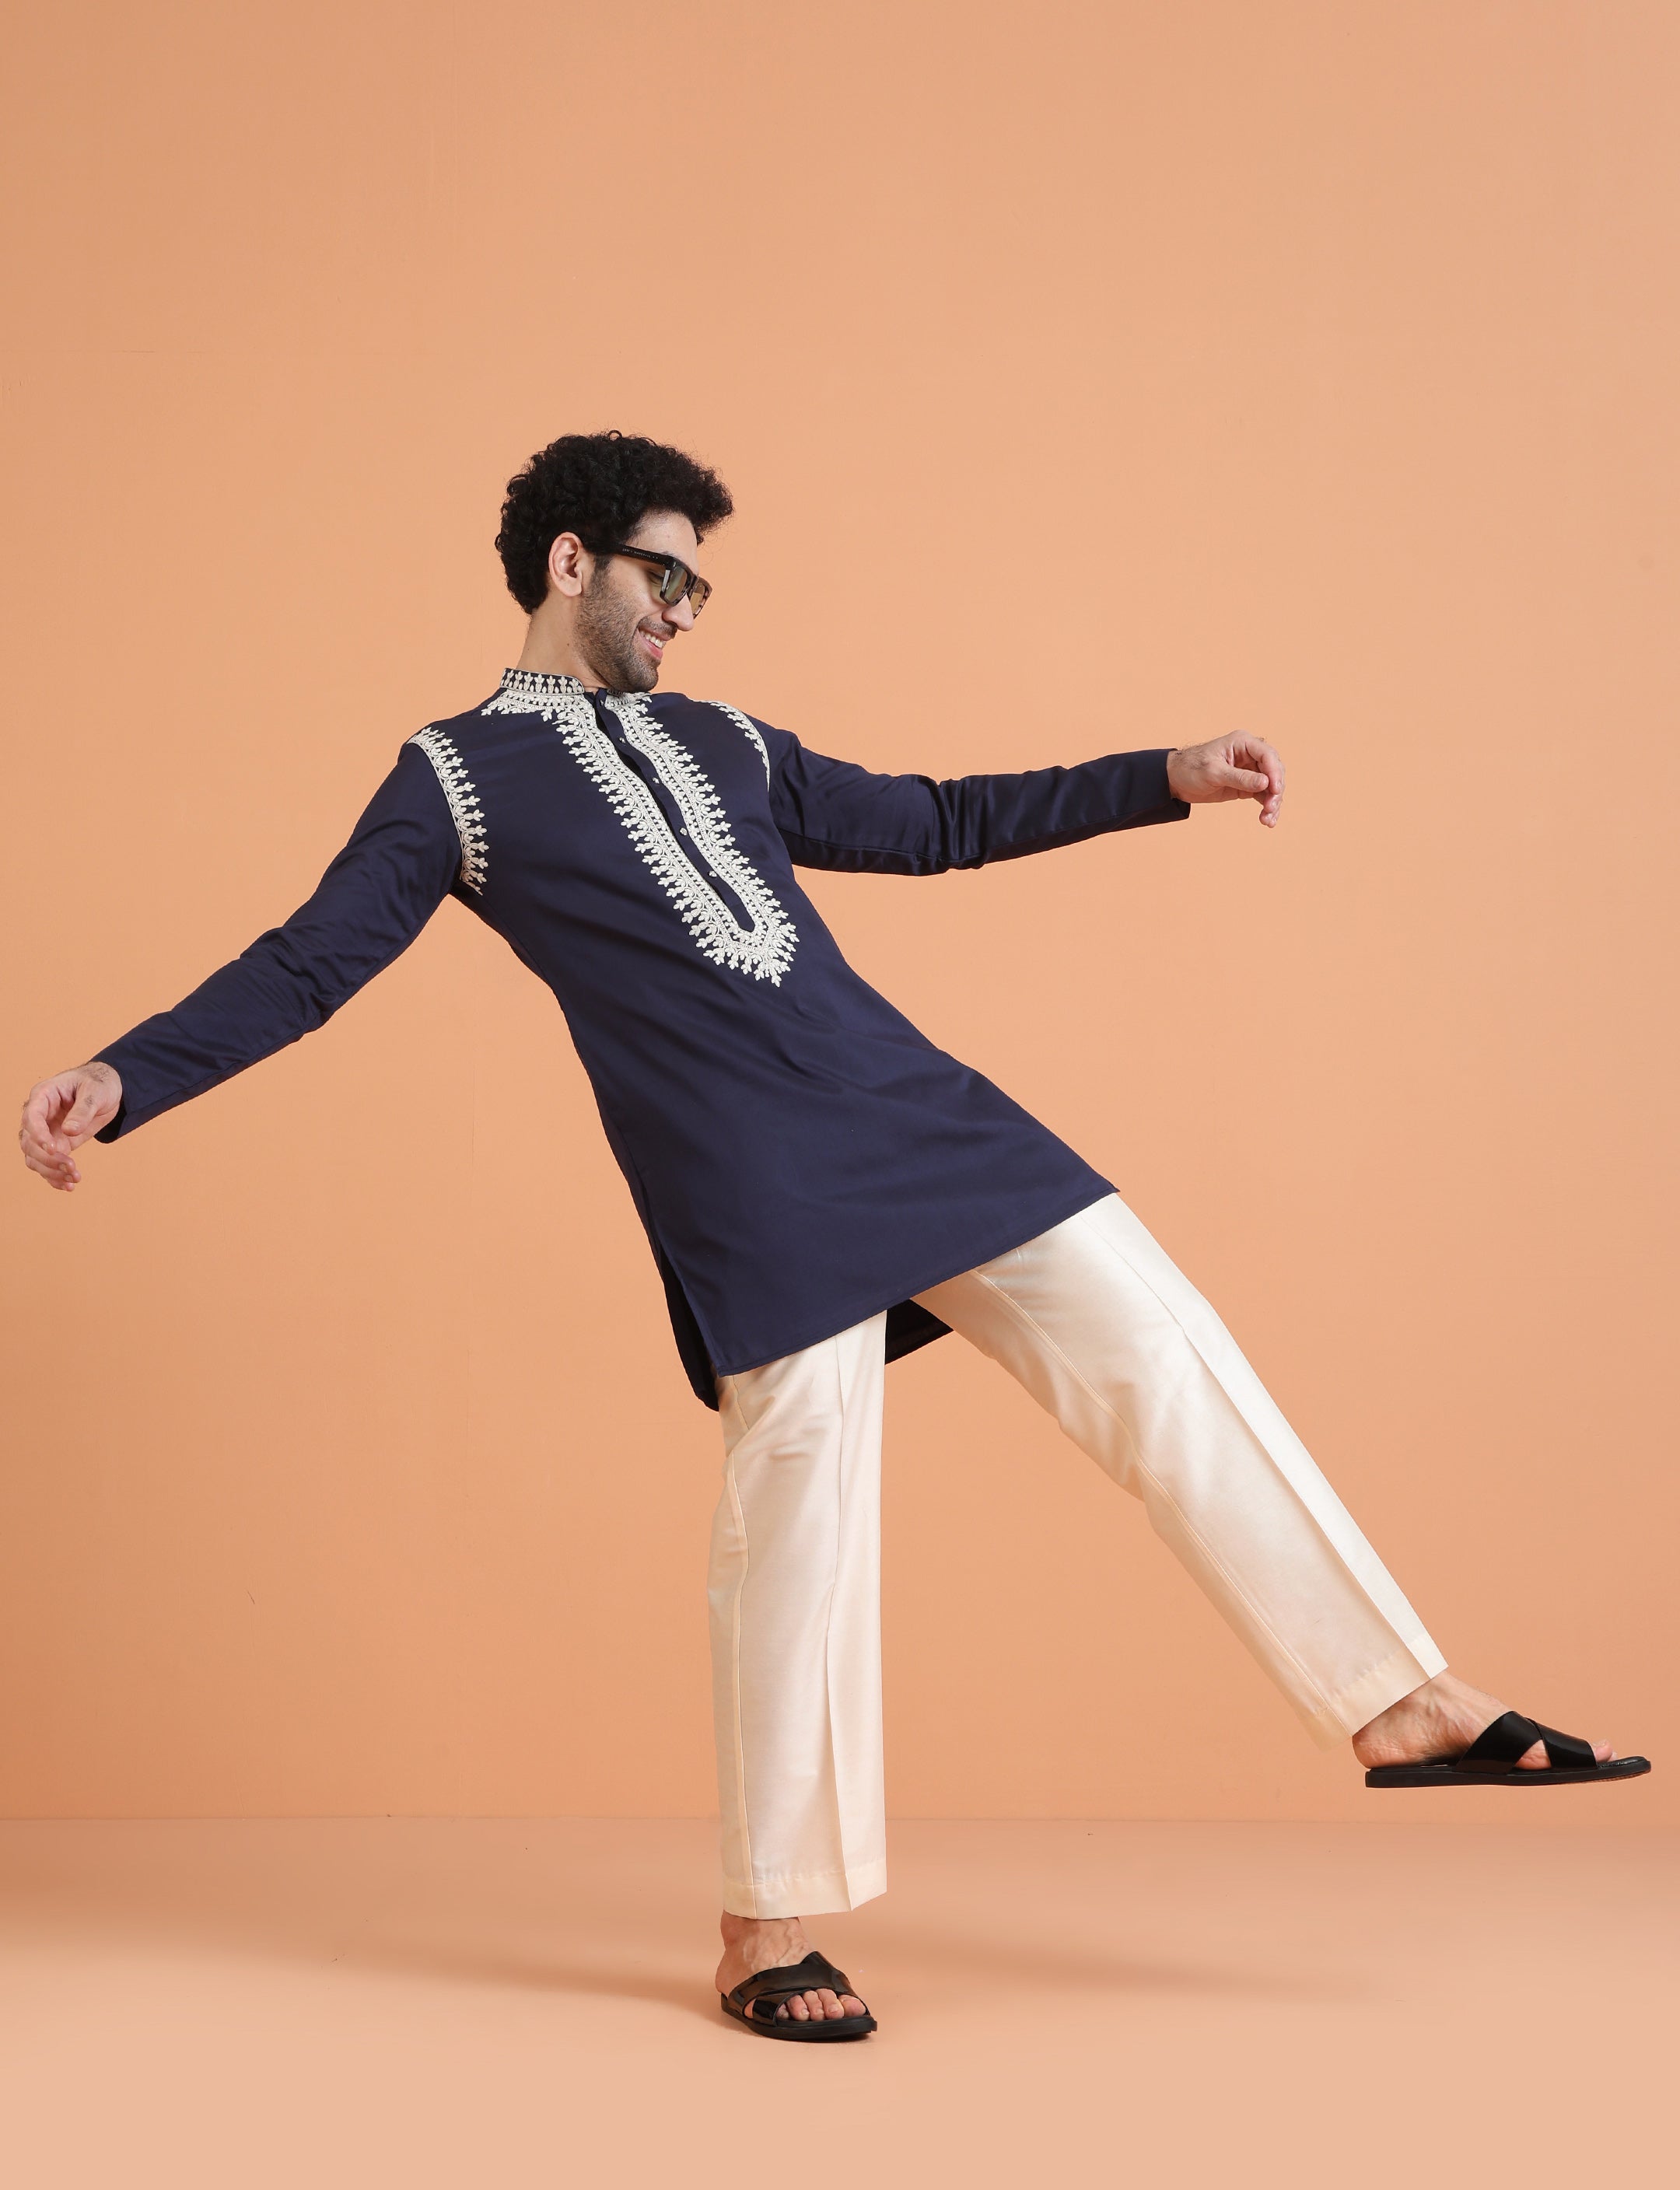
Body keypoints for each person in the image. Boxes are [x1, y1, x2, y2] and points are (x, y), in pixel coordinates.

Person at [19, 431, 1647, 2043]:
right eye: (665, 577)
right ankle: (767, 1920)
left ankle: (1399, 1700)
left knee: (1161, 1346)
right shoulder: (453, 780)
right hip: (751, 1183)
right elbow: (309, 964)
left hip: (915, 1113)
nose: (684, 612)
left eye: (699, 590)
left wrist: (1163, 776)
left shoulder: (725, 738)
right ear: (571, 562)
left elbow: (933, 820)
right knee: (798, 1522)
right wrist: (126, 1075)